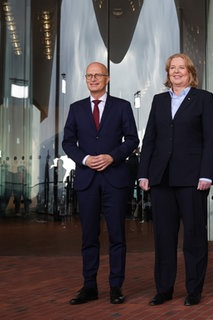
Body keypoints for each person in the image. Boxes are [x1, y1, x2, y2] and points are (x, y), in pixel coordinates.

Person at [138, 53, 213, 307]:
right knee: (163, 238)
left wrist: (206, 173)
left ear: (190, 72)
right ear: (167, 73)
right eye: (172, 68)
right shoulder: (159, 100)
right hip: (161, 179)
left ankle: (194, 290)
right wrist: (143, 173)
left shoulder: (204, 99)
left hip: (192, 179)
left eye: (181, 67)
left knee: (194, 237)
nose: (176, 71)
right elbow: (149, 138)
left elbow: (210, 139)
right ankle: (164, 289)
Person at [62, 62, 139, 305]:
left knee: (117, 235)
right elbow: (67, 142)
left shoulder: (122, 107)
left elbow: (132, 139)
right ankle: (89, 286)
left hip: (114, 179)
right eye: (89, 75)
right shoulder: (76, 109)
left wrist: (112, 156)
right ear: (86, 79)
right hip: (87, 181)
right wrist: (84, 159)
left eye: (98, 75)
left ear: (107, 78)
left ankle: (116, 287)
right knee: (89, 237)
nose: (93, 79)